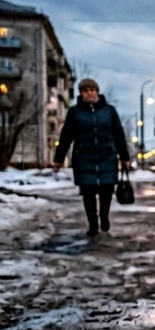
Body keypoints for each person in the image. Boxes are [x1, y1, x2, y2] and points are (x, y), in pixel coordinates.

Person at [52, 78, 131, 237]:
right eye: (85, 91)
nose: (89, 93)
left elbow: (119, 135)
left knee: (107, 191)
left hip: (107, 156)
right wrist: (59, 159)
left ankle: (104, 217)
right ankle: (93, 224)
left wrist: (124, 157)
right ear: (81, 93)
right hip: (84, 158)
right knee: (88, 193)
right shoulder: (75, 112)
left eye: (92, 90)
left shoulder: (109, 111)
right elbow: (66, 136)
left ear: (97, 92)